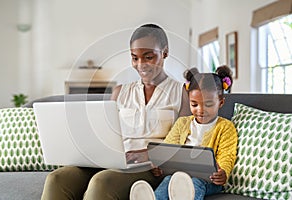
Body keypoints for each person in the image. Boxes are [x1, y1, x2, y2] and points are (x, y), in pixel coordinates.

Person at [41, 24, 190, 200]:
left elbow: (186, 144)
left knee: (101, 183)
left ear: (164, 52)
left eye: (148, 57)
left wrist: (150, 154)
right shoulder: (120, 92)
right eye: (134, 58)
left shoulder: (181, 92)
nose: (141, 64)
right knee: (56, 179)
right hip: (113, 161)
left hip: (150, 168)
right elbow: (105, 134)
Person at [129, 65, 238, 200]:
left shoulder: (225, 127)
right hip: (178, 175)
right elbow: (168, 147)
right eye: (194, 104)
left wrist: (223, 173)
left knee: (195, 183)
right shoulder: (182, 123)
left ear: (221, 102)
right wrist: (160, 164)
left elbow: (227, 155)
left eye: (208, 104)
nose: (201, 110)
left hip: (209, 181)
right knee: (168, 180)